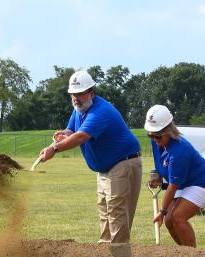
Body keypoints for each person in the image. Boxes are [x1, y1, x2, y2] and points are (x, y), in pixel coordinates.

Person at [39, 69, 141, 243]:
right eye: (73, 94)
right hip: (105, 167)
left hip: (122, 163)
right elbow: (71, 130)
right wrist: (61, 135)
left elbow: (80, 137)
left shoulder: (100, 112)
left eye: (80, 94)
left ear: (91, 93)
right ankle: (106, 254)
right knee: (104, 211)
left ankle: (120, 254)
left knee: (116, 212)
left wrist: (54, 149)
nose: (76, 98)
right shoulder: (79, 110)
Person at [144, 105, 205, 247]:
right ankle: (183, 255)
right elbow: (162, 165)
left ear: (169, 131)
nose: (155, 139)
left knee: (177, 216)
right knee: (168, 220)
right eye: (151, 135)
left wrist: (161, 211)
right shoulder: (157, 141)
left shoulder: (179, 151)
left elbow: (173, 186)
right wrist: (158, 177)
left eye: (158, 136)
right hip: (185, 183)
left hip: (204, 183)